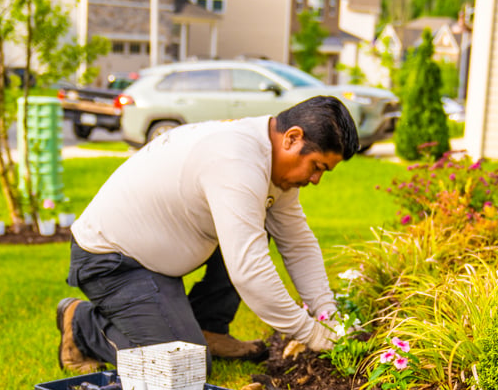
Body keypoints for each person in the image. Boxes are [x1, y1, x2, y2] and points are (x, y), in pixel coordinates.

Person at [56, 95, 358, 374]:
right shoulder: (236, 160)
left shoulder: (272, 163)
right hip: (112, 260)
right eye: (317, 166)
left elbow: (298, 243)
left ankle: (208, 327)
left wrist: (326, 314)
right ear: (292, 138)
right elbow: (249, 270)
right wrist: (311, 333)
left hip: (155, 256)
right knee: (187, 366)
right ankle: (82, 325)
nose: (316, 179)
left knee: (257, 223)